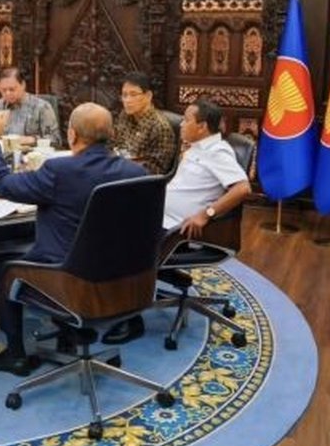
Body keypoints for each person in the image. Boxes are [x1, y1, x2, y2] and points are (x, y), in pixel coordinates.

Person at [0, 103, 148, 375]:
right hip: (127, 283)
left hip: (71, 283)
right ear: (112, 134)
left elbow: (0, 184)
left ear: (72, 135)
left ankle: (15, 355)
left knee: (4, 269)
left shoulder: (59, 171)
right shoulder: (137, 173)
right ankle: (69, 333)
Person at [102, 98, 251, 345]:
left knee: (121, 242)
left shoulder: (217, 152)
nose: (181, 124)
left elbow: (242, 188)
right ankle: (114, 295)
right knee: (107, 221)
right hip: (162, 216)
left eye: (187, 120)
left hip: (179, 231)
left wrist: (206, 214)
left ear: (202, 126)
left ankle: (130, 318)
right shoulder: (197, 147)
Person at [111, 71, 177, 175]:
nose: (127, 100)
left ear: (148, 96)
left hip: (137, 179)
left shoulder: (160, 127)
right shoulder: (124, 115)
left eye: (133, 94)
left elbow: (155, 170)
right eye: (124, 95)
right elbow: (113, 144)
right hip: (117, 167)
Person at [0, 67, 61, 147]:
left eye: (12, 89)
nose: (8, 93)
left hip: (31, 152)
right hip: (1, 152)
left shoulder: (42, 107)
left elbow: (55, 140)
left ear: (23, 85)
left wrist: (31, 140)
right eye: (3, 90)